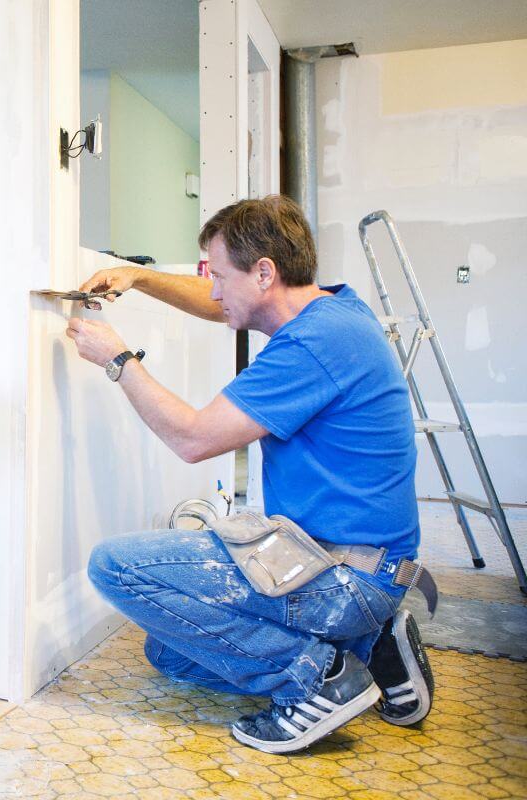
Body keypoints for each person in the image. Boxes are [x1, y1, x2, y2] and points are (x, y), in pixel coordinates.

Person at [67, 195, 434, 754]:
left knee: (114, 567)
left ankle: (322, 676)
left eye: (219, 275)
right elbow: (226, 305)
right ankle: (370, 649)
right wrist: (139, 277)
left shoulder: (312, 345)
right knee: (168, 652)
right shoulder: (332, 311)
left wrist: (118, 359)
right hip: (347, 556)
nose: (213, 290)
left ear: (265, 272)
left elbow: (193, 439)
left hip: (343, 571)